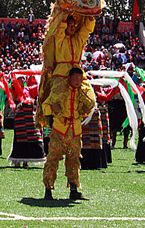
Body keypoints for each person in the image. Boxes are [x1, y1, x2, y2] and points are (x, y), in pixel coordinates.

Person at [42, 67, 95, 200]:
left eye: (80, 78)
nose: (78, 81)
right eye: (75, 78)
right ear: (69, 78)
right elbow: (45, 107)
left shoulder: (83, 93)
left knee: (74, 160)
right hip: (59, 129)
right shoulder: (58, 90)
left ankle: (73, 189)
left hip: (75, 130)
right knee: (52, 159)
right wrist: (52, 108)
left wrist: (86, 110)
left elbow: (87, 110)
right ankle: (48, 190)